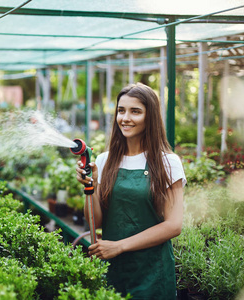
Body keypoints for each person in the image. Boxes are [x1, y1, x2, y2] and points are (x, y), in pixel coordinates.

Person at [75, 83, 186, 299]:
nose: (125, 118)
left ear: (150, 117)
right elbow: (94, 222)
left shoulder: (168, 162)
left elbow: (173, 225)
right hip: (112, 269)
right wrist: (91, 186)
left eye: (135, 111)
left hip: (152, 273)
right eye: (121, 110)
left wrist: (120, 246)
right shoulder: (104, 160)